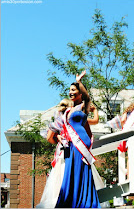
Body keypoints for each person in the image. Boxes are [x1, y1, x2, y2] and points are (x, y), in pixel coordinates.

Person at [38, 71, 103, 208]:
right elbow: (61, 129)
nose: (70, 92)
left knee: (81, 171)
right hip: (71, 145)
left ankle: (84, 202)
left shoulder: (83, 107)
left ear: (80, 93)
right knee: (70, 171)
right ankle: (70, 201)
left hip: (80, 144)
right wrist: (58, 136)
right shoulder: (67, 111)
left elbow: (87, 96)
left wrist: (78, 81)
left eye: (73, 90)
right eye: (69, 90)